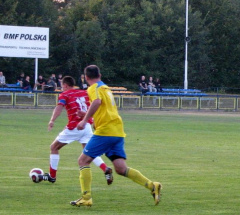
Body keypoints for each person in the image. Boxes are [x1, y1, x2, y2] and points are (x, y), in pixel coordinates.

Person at [72, 65, 162, 207]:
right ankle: (152, 186)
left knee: (83, 161)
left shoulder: (93, 88)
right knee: (120, 169)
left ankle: (86, 197)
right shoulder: (106, 88)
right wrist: (89, 117)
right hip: (117, 130)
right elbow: (104, 110)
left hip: (106, 131)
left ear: (86, 77)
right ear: (100, 75)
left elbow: (96, 102)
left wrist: (84, 121)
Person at [41, 76, 113, 184]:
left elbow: (59, 108)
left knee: (54, 147)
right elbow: (94, 106)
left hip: (75, 127)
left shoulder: (65, 94)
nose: (61, 88)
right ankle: (105, 169)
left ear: (65, 85)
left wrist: (52, 120)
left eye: (62, 86)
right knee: (88, 152)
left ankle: (52, 176)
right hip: (86, 126)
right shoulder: (84, 93)